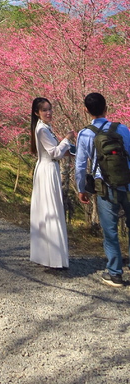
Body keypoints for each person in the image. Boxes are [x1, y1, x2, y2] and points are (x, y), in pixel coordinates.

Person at [75, 91, 130, 287]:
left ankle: (115, 273)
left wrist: (81, 189)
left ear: (86, 110)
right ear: (107, 108)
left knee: (110, 231)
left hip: (105, 189)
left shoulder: (85, 134)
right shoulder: (122, 129)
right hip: (128, 184)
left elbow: (80, 166)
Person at [29, 96, 76, 270]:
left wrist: (70, 153)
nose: (48, 113)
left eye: (50, 109)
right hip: (47, 171)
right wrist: (67, 138)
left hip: (49, 168)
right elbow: (54, 153)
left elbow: (53, 152)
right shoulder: (42, 129)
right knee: (50, 211)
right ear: (37, 113)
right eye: (44, 110)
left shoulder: (45, 128)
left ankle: (50, 256)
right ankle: (52, 258)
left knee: (49, 210)